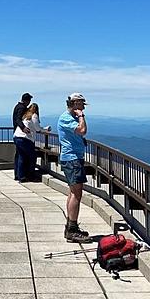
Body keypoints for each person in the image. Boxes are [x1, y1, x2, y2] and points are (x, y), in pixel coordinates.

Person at [58, 92, 90, 243]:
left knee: (73, 192)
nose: (83, 107)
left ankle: (71, 226)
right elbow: (82, 131)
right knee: (77, 194)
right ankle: (72, 229)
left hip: (73, 158)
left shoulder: (71, 118)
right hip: (72, 159)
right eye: (82, 104)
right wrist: (81, 116)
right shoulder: (66, 118)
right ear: (75, 103)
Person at [14, 102, 50, 182]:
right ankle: (31, 175)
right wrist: (45, 129)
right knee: (32, 157)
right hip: (25, 139)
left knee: (22, 157)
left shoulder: (25, 116)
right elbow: (37, 129)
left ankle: (21, 176)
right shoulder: (34, 116)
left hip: (17, 137)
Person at [12, 92, 33, 181]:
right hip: (21, 135)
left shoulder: (17, 106)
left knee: (18, 155)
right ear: (26, 100)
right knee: (23, 156)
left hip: (16, 134)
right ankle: (22, 176)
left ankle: (17, 174)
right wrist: (23, 127)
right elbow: (18, 119)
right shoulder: (22, 108)